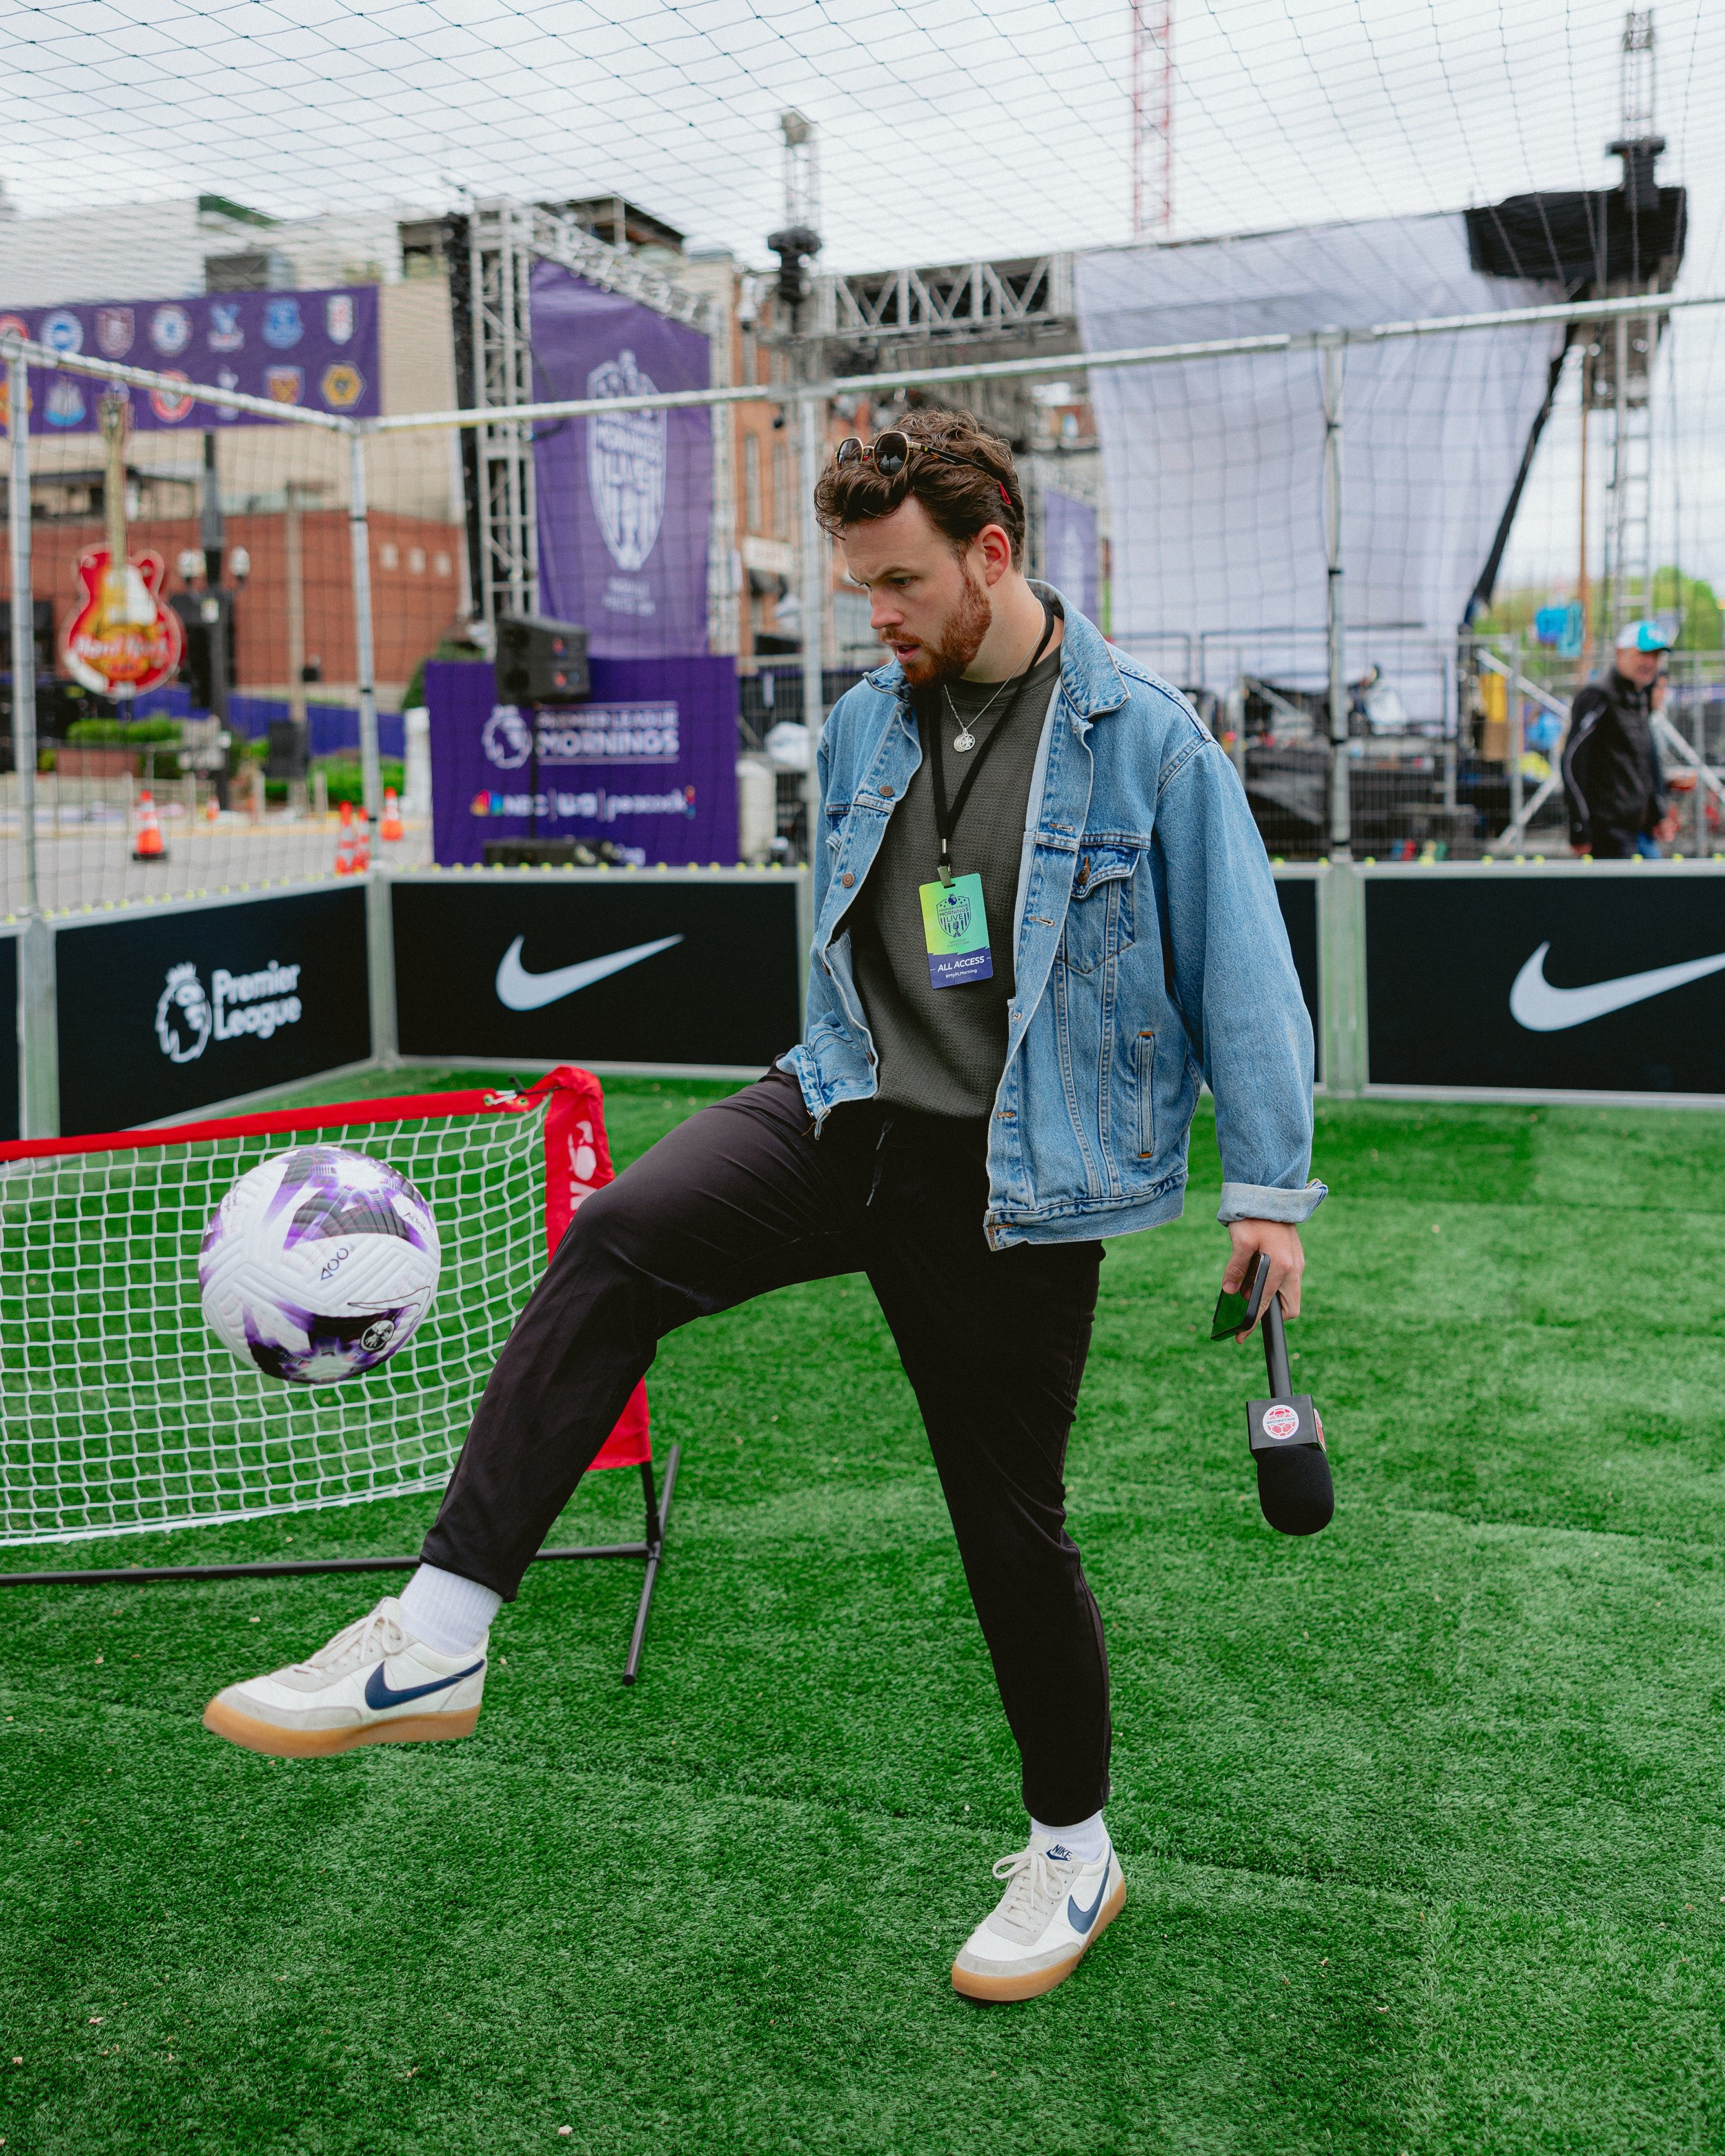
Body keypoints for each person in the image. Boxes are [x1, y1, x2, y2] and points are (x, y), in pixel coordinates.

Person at [202, 409, 1324, 2005]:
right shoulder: (877, 718)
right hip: (837, 1105)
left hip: (1010, 1183)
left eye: (899, 581)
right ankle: (438, 1630)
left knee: (1008, 1528)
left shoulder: (1144, 737)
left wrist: (1267, 1190)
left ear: (991, 556)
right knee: (614, 1240)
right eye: (858, 581)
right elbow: (862, 937)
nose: (871, 612)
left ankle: (1073, 1851)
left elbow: (1244, 970)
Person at [1562, 620, 1675, 858]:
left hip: (1639, 831)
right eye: (1643, 654)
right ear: (1620, 653)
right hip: (1608, 834)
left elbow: (1646, 761)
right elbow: (1573, 762)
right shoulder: (1597, 696)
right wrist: (1579, 827)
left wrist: (1659, 813)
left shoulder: (1639, 699)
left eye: (1655, 656)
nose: (1650, 662)